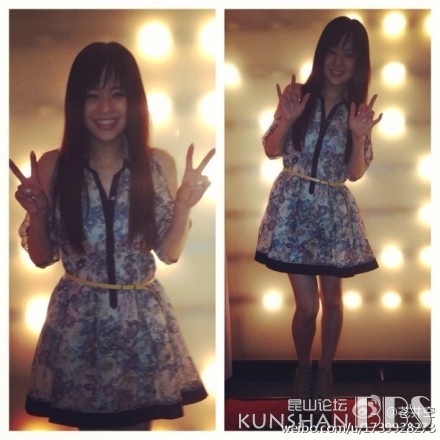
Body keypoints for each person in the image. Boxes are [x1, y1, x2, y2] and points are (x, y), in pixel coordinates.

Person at [9, 41, 215, 430]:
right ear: (76, 104)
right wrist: (37, 214)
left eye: (117, 94)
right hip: (79, 324)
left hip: (142, 323)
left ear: (134, 101)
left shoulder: (157, 164)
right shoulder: (54, 166)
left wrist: (184, 205)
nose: (105, 107)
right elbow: (41, 257)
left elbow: (169, 253)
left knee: (138, 427)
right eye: (92, 95)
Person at [255, 16, 382, 400]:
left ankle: (325, 371)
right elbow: (271, 149)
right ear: (321, 54)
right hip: (293, 210)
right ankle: (303, 368)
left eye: (349, 54)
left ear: (359, 63)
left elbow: (355, 173)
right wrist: (287, 119)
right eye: (332, 51)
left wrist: (358, 136)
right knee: (308, 308)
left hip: (332, 213)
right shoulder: (298, 96)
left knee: (334, 302)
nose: (338, 61)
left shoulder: (357, 110)